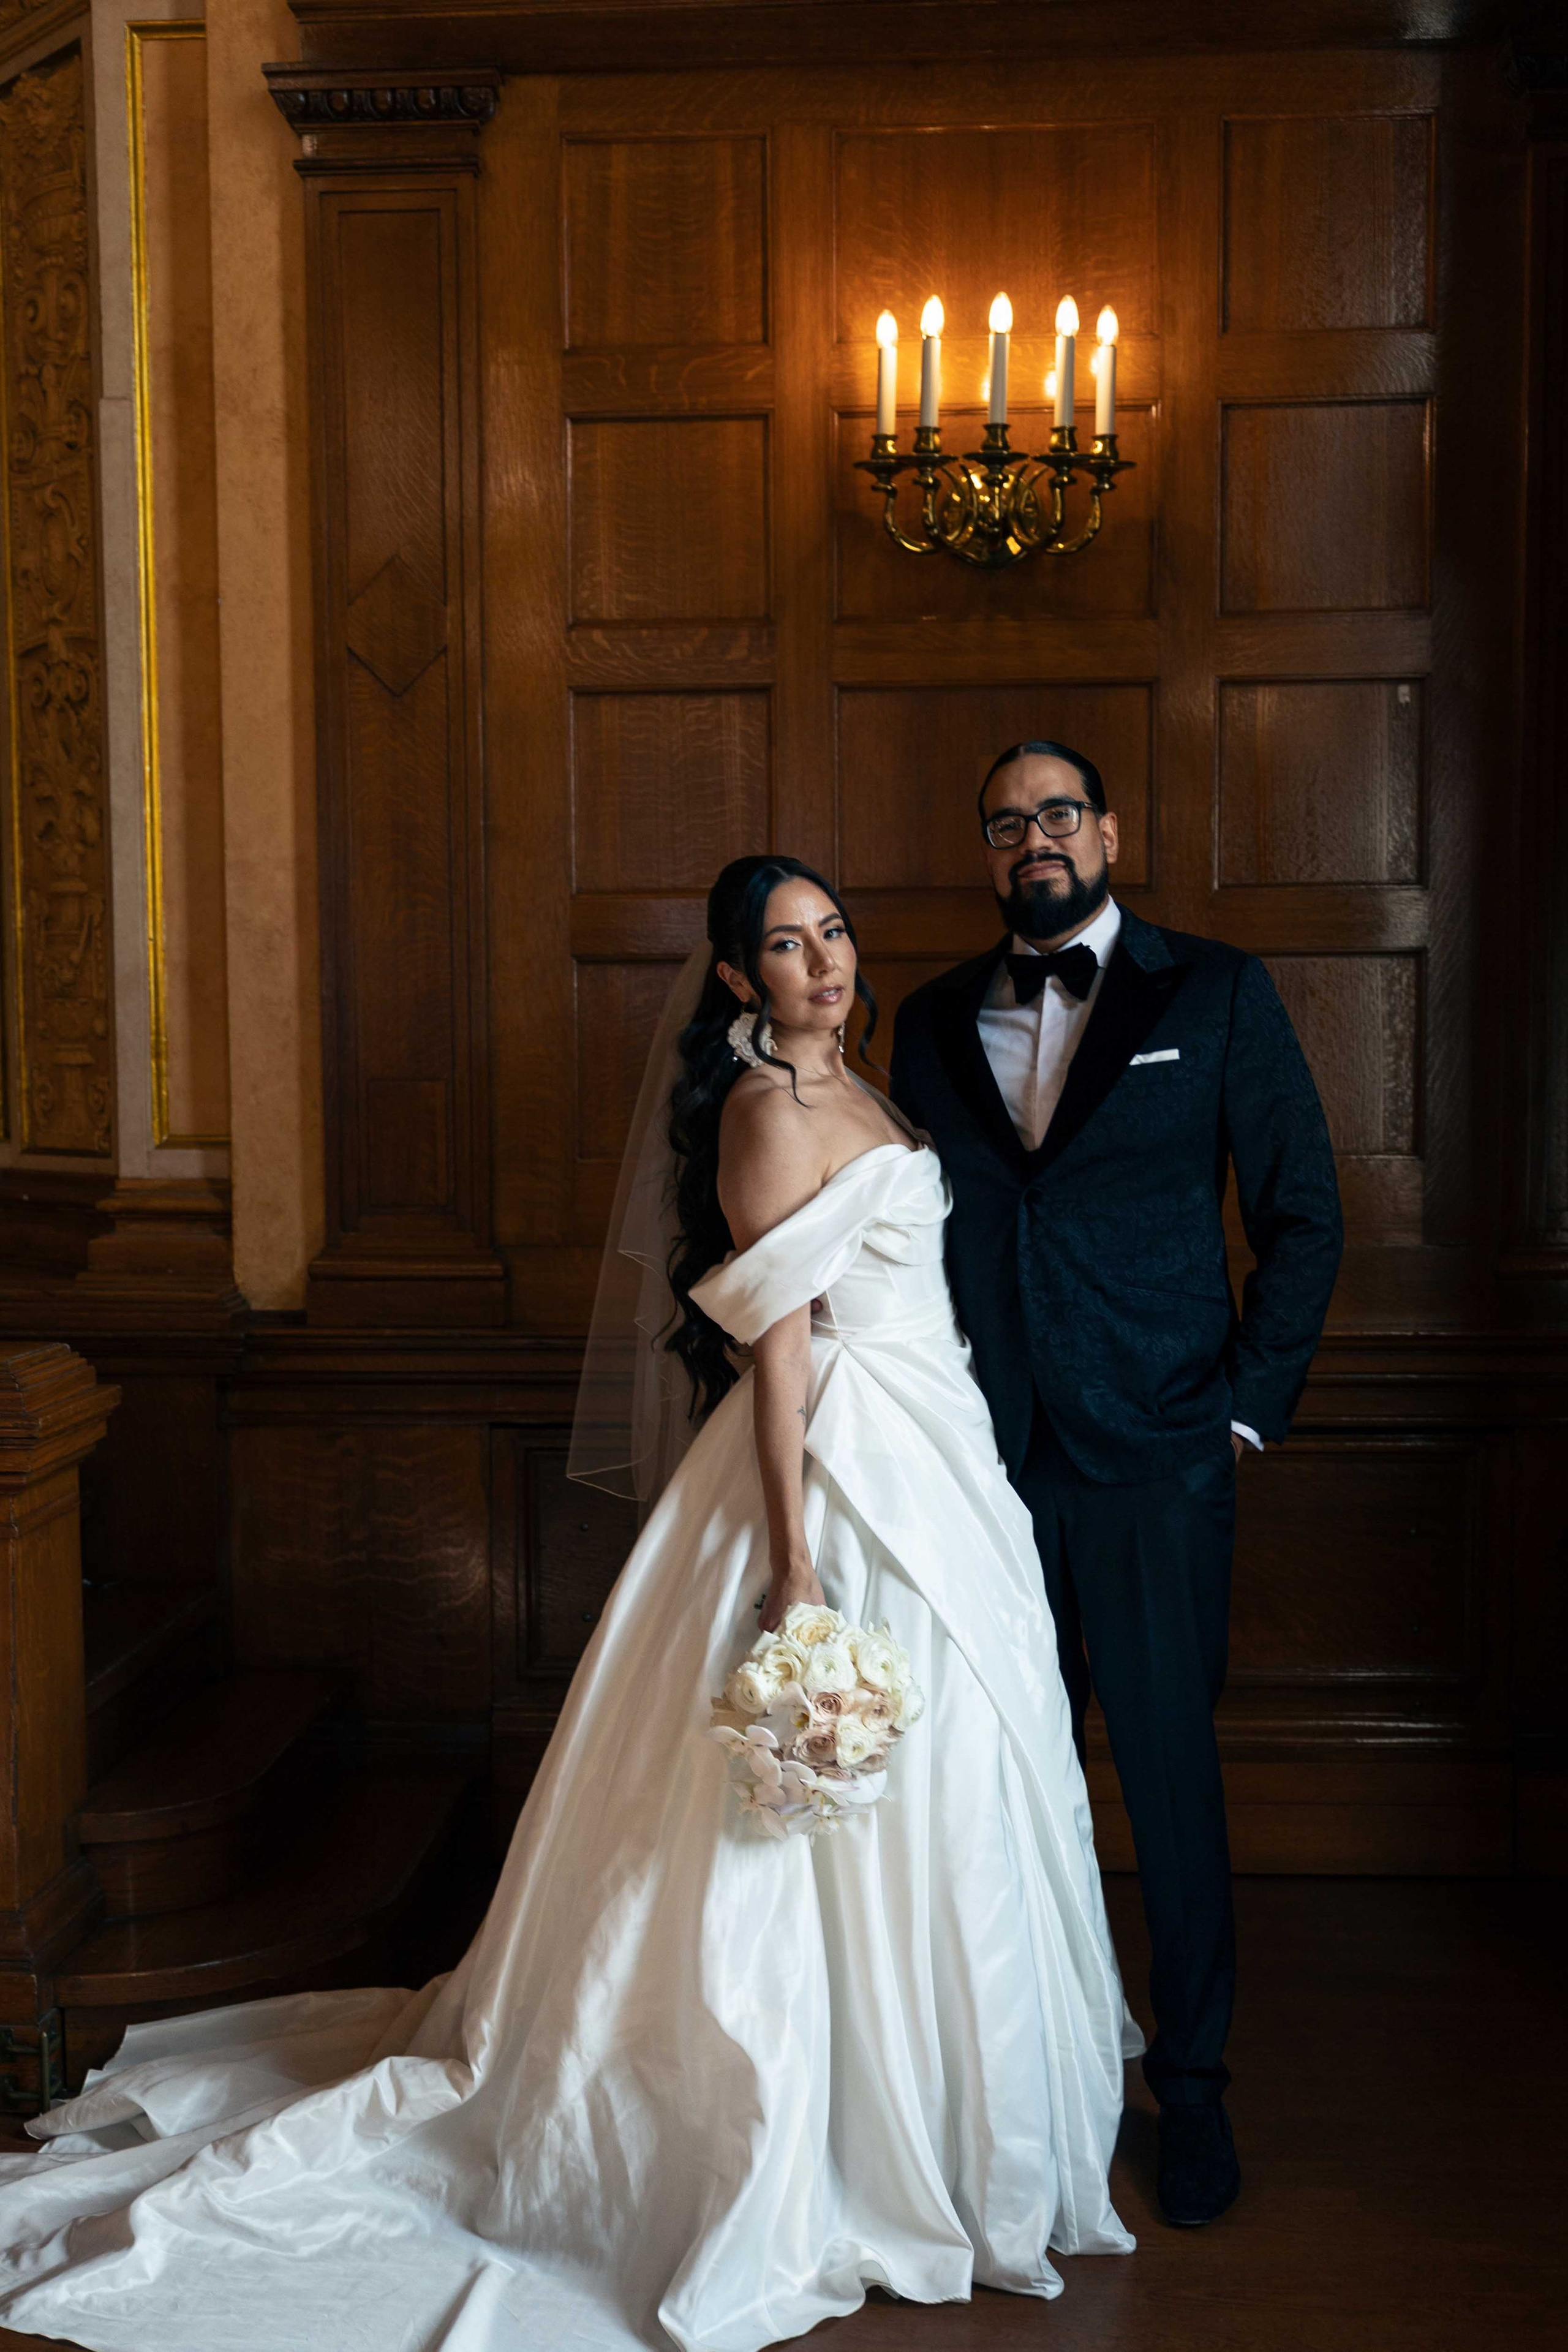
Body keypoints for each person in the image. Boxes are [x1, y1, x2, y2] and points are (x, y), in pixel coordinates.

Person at [0, 854, 1139, 2352]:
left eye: (833, 934)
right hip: (842, 1481)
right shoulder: (765, 1114)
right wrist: (794, 1565)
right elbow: (779, 1354)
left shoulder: (867, 1095)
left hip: (946, 1463)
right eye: (785, 948)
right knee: (803, 1818)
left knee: (969, 1787)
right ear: (737, 981)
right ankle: (823, 2137)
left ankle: (943, 2112)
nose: (822, 963)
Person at [890, 741, 1343, 2228]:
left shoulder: (1210, 993)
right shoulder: (929, 1021)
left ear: (1106, 829)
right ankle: (1029, 2089)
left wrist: (1239, 1421)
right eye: (1007, 817)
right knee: (999, 1790)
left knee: (1166, 1788)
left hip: (1157, 1460)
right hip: (983, 1469)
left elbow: (1301, 1216)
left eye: (1058, 812)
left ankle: (1193, 2098)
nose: (1036, 836)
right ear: (986, 850)